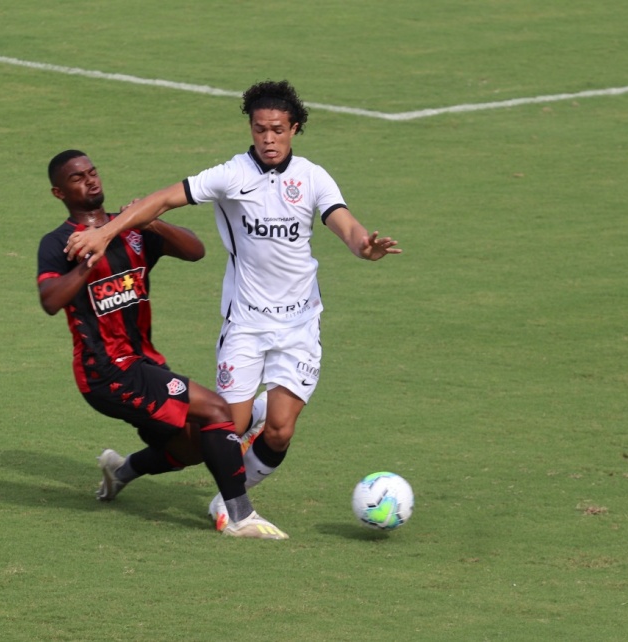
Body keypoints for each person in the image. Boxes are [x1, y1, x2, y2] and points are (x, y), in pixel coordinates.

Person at [64, 80, 401, 534]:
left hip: (301, 325)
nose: (268, 139)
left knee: (280, 430)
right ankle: (125, 470)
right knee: (224, 429)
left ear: (295, 129)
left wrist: (365, 248)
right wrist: (105, 233)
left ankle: (228, 502)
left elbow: (347, 226)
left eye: (278, 130)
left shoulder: (313, 177)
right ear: (251, 128)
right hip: (246, 324)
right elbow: (162, 200)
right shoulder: (230, 175)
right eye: (260, 129)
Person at [37, 149, 288, 539]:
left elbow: (195, 250)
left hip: (144, 363)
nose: (90, 180)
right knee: (217, 411)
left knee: (192, 446)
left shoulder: (132, 231)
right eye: (77, 178)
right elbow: (51, 300)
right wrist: (89, 259)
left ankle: (120, 472)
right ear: (59, 193)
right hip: (107, 371)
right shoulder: (59, 243)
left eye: (93, 171)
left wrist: (151, 223)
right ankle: (240, 516)